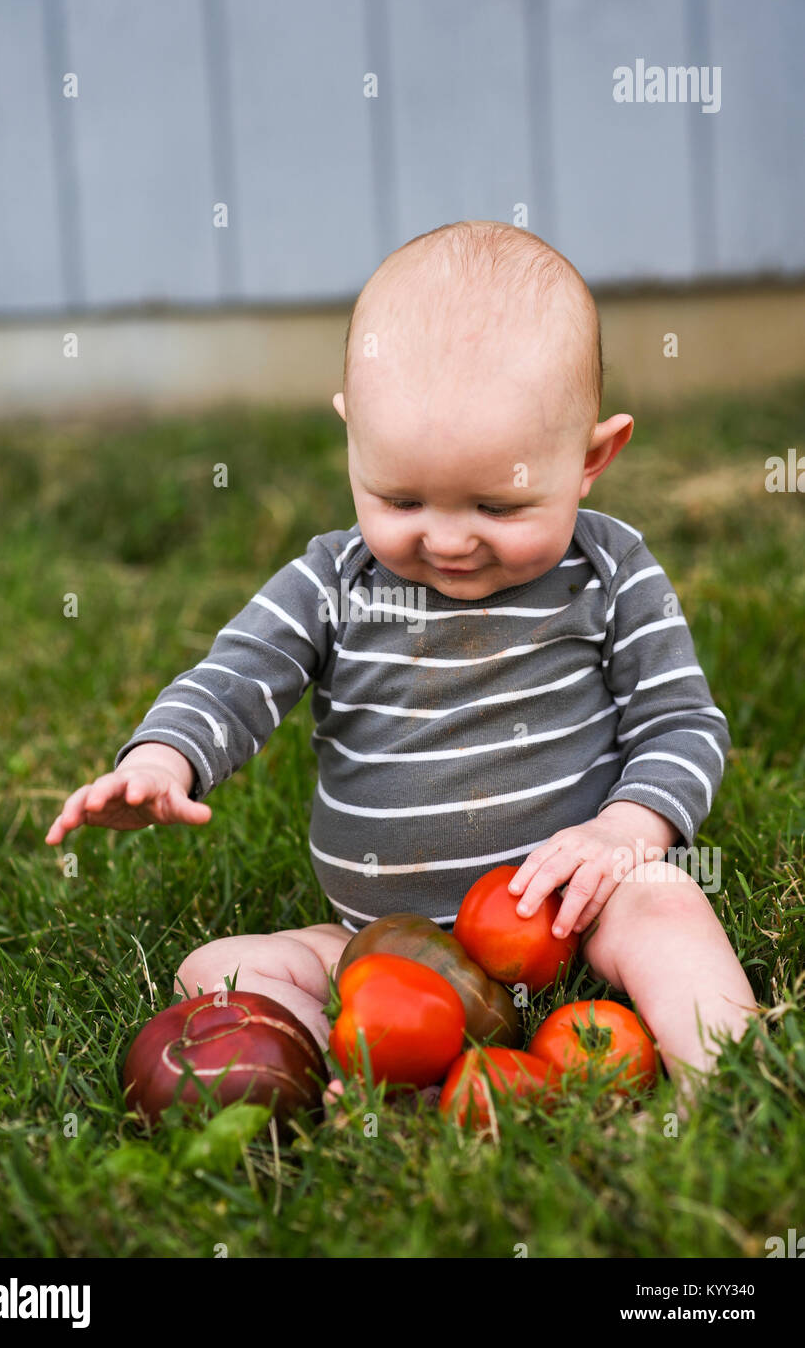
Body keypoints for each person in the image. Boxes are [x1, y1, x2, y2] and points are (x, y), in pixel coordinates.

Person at [45, 221, 758, 1100]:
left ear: (591, 459)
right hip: (378, 945)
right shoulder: (331, 583)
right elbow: (237, 676)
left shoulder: (610, 573)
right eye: (401, 496)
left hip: (575, 914)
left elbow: (682, 722)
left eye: (499, 504)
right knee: (215, 968)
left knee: (667, 903)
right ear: (353, 438)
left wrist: (626, 834)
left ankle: (724, 1082)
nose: (449, 539)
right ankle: (357, 1068)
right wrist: (164, 756)